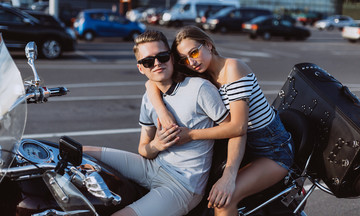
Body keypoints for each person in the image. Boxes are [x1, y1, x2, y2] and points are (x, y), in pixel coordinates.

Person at [145, 25, 295, 216]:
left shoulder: (233, 68)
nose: (191, 62)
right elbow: (151, 82)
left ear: (208, 45)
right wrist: (162, 112)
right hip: (244, 146)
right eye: (184, 59)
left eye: (194, 52)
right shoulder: (202, 73)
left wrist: (191, 136)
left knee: (224, 201)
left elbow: (238, 127)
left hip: (273, 150)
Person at [83, 30, 229, 216]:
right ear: (141, 68)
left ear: (172, 58)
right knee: (80, 153)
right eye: (148, 61)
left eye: (162, 57)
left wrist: (228, 176)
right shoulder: (149, 97)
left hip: (183, 185)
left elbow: (233, 128)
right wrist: (156, 145)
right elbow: (143, 149)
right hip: (151, 167)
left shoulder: (199, 88)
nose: (157, 64)